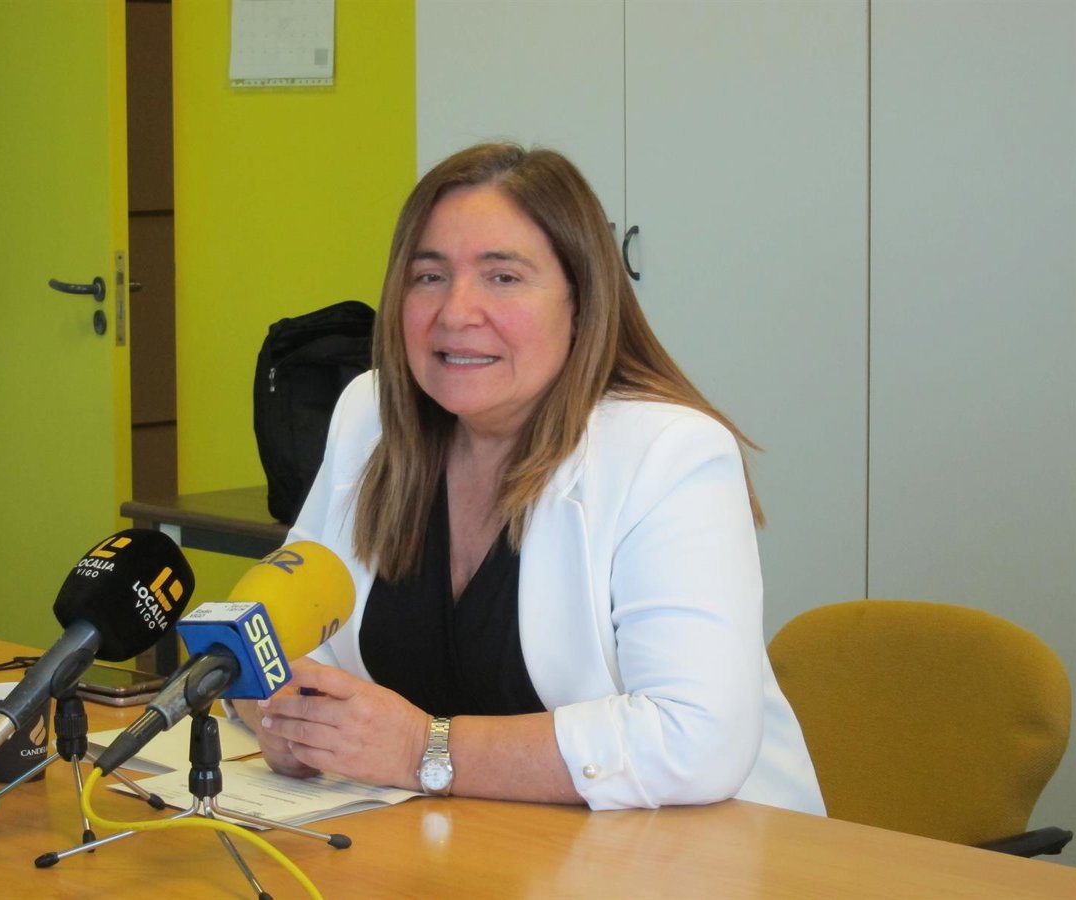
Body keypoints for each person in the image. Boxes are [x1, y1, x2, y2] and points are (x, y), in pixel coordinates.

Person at [233, 142, 824, 814]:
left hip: (690, 850)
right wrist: (280, 716)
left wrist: (422, 750)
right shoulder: (370, 414)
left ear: (583, 302)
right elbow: (279, 640)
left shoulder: (669, 454)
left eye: (503, 277)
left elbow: (694, 740)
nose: (456, 311)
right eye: (429, 276)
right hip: (452, 845)